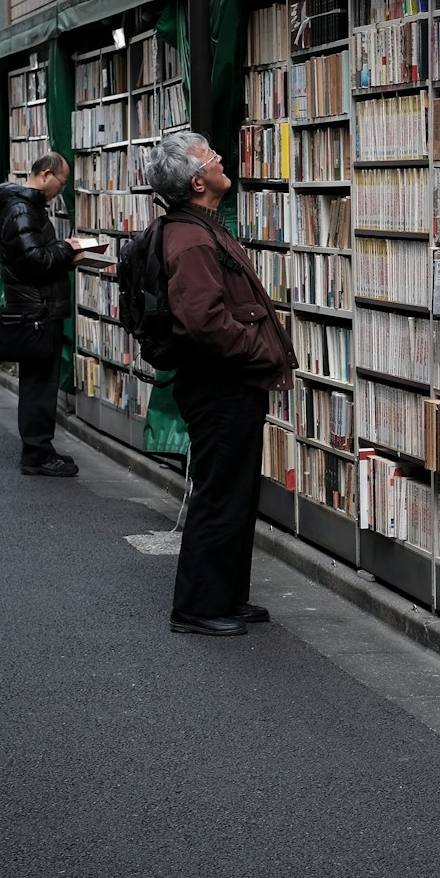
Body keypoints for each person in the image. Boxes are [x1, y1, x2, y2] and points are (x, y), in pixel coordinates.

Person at [150, 132, 295, 637]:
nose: (221, 161)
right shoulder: (189, 238)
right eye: (212, 157)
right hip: (219, 383)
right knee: (219, 493)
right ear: (196, 181)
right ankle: (197, 606)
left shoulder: (200, 227)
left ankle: (227, 596)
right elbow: (203, 322)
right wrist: (260, 352)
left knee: (234, 492)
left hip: (227, 381)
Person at [0, 154, 85, 476]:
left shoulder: (23, 207)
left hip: (37, 308)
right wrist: (68, 249)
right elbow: (35, 260)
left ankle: (40, 448)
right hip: (36, 311)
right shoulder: (22, 209)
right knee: (39, 385)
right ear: (46, 174)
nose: (62, 188)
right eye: (62, 181)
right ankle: (37, 453)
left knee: (40, 383)